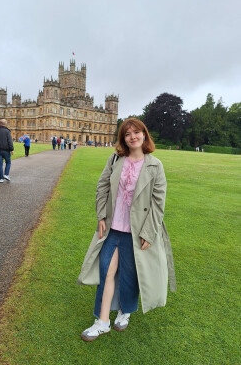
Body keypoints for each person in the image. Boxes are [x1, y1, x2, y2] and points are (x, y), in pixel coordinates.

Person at [77, 118, 176, 342]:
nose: (132, 137)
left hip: (137, 231)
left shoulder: (155, 166)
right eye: (128, 134)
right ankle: (102, 322)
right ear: (123, 138)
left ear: (144, 135)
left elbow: (158, 204)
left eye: (137, 132)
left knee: (130, 274)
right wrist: (101, 215)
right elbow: (102, 186)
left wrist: (148, 233)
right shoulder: (115, 159)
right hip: (113, 226)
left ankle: (126, 310)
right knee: (106, 271)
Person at [0, 119, 14, 183]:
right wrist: (12, 149)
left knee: (0, 164)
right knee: (8, 162)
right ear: (5, 124)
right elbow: (10, 141)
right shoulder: (7, 131)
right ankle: (6, 174)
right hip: (6, 150)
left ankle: (1, 178)